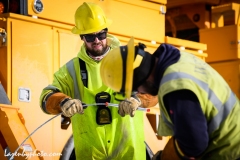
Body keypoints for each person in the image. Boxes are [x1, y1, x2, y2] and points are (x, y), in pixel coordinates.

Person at [100, 37, 240, 160]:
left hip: (229, 149)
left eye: (135, 90)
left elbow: (194, 144)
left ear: (140, 76)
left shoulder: (175, 86)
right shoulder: (179, 59)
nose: (140, 93)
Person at [39, 2, 147, 160]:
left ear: (106, 32)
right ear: (82, 37)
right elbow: (46, 97)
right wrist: (62, 102)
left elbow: (155, 92)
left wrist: (138, 100)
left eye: (101, 35)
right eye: (90, 36)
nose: (97, 40)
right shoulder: (71, 70)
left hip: (129, 155)